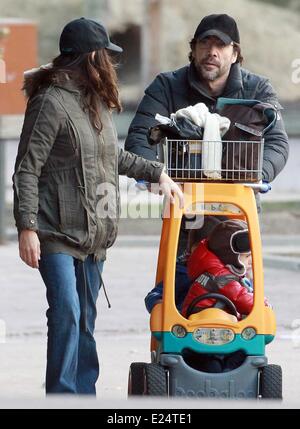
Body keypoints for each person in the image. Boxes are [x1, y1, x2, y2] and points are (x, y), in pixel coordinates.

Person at [12, 17, 184, 395]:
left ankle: (83, 393)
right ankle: (62, 395)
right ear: (91, 56)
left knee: (86, 318)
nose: (110, 62)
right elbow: (27, 168)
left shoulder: (96, 102)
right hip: (54, 231)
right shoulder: (49, 103)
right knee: (67, 314)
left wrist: (157, 174)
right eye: (106, 54)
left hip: (94, 235)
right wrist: (27, 227)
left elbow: (114, 157)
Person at [125, 13, 289, 205]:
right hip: (182, 202)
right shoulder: (166, 85)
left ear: (235, 54)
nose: (212, 51)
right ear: (193, 49)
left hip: (239, 206)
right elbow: (139, 134)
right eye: (205, 42)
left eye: (221, 45)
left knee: (241, 235)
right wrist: (154, 174)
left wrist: (258, 175)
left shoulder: (259, 89)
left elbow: (277, 143)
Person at [181, 219, 268, 319]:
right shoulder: (221, 276)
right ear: (230, 257)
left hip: (204, 316)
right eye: (247, 256)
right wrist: (263, 304)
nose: (251, 261)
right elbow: (241, 298)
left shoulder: (216, 270)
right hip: (204, 320)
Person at [144, 215, 221, 313]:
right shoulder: (181, 273)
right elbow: (154, 295)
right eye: (202, 249)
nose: (208, 256)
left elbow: (242, 296)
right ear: (192, 249)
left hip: (223, 323)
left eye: (212, 251)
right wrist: (159, 304)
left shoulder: (229, 274)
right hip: (184, 322)